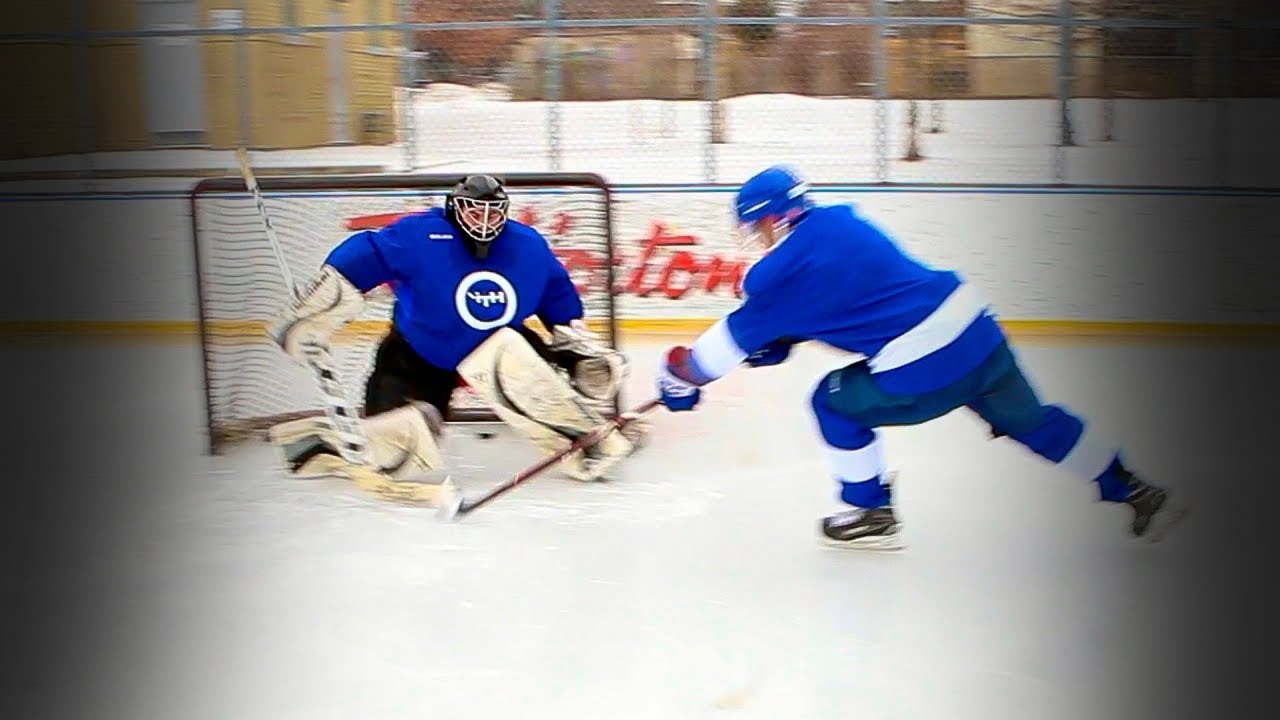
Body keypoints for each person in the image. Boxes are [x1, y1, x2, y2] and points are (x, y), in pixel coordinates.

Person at [655, 165, 1185, 550]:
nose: (755, 239)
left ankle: (868, 510)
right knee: (1033, 422)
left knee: (833, 402)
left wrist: (678, 379)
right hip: (978, 331)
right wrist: (785, 338)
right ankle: (1135, 490)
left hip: (926, 365)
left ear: (770, 219)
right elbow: (853, 297)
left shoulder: (777, 275)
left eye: (755, 227)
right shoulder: (842, 221)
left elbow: (713, 355)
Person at [268, 174, 634, 494]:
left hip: (496, 352)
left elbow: (556, 291)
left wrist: (571, 338)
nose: (485, 222)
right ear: (454, 208)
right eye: (475, 211)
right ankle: (320, 444)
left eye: (493, 213)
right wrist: (320, 302)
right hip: (418, 356)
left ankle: (585, 437)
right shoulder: (420, 235)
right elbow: (369, 254)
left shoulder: (527, 245)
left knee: (519, 360)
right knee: (402, 442)